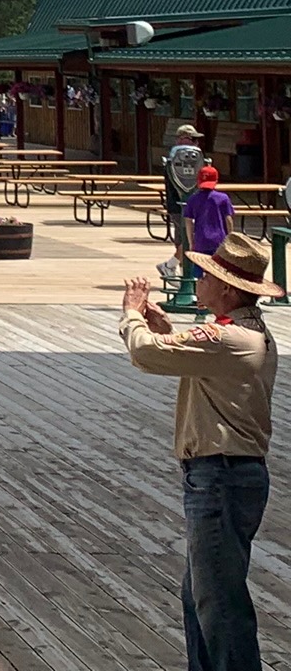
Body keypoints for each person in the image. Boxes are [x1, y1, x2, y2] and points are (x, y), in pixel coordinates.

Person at [121, 234, 282, 671]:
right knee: (203, 597)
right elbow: (194, 356)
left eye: (206, 275)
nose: (199, 279)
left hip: (220, 477)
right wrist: (165, 330)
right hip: (230, 475)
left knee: (219, 604)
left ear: (227, 289)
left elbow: (145, 355)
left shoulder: (227, 338)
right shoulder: (248, 333)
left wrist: (132, 315)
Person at [164, 126, 206, 279]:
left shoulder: (193, 157)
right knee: (189, 237)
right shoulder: (175, 158)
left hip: (187, 204)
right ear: (182, 138)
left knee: (183, 237)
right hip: (178, 204)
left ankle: (184, 273)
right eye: (193, 139)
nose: (196, 143)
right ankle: (171, 265)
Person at [185, 165, 236, 270]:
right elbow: (228, 220)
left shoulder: (193, 199)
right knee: (219, 271)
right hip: (220, 241)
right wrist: (230, 239)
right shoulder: (223, 198)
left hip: (200, 241)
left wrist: (191, 242)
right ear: (216, 180)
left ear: (198, 181)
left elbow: (188, 221)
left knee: (200, 273)